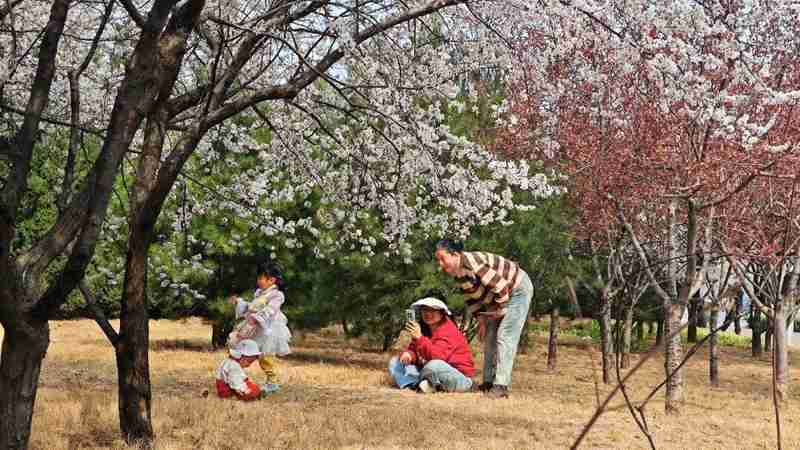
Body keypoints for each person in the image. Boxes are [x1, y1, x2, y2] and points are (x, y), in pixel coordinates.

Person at [434, 239, 533, 399]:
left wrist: (502, 308)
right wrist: (481, 321)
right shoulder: (458, 274)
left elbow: (500, 286)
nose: (440, 264)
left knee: (505, 335)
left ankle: (501, 386)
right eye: (438, 260)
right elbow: (472, 299)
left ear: (456, 255)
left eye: (442, 258)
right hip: (498, 297)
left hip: (517, 289)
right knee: (489, 336)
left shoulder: (473, 262)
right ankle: (488, 382)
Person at [388, 297, 475, 393]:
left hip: (459, 377)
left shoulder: (449, 331)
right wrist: (409, 355)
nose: (428, 314)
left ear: (441, 314)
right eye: (425, 310)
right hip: (430, 371)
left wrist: (419, 338)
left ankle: (427, 384)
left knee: (433, 365)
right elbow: (414, 349)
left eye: (433, 311)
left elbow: (437, 357)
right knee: (395, 362)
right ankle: (413, 385)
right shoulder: (424, 329)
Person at [228, 262, 292, 393]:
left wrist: (257, 318)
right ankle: (234, 375)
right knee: (244, 350)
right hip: (255, 327)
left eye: (261, 278)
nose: (258, 281)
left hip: (268, 329)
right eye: (258, 278)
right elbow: (252, 306)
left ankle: (272, 382)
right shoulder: (259, 293)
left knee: (265, 356)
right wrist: (239, 303)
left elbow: (270, 310)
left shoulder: (277, 295)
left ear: (271, 280)